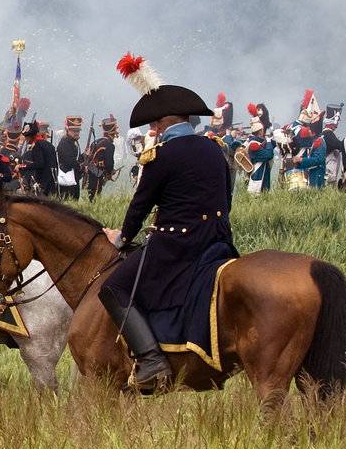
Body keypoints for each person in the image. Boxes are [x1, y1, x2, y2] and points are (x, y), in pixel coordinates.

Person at [100, 54, 234, 393]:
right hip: (217, 240)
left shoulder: (161, 155)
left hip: (176, 244)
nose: (152, 130)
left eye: (154, 125)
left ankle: (151, 360)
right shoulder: (215, 149)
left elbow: (140, 205)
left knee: (112, 289)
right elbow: (226, 200)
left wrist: (122, 237)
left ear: (160, 124)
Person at [85, 116, 119, 200]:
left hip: (91, 171)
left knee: (91, 192)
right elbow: (109, 163)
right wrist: (110, 172)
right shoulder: (110, 145)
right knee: (95, 194)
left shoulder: (96, 141)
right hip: (98, 172)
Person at [56, 116, 84, 200]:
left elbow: (76, 159)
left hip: (73, 179)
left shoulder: (73, 142)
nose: (77, 133)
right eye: (74, 131)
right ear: (68, 130)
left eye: (78, 130)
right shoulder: (65, 143)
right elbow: (69, 161)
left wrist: (84, 156)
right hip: (66, 180)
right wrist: (80, 166)